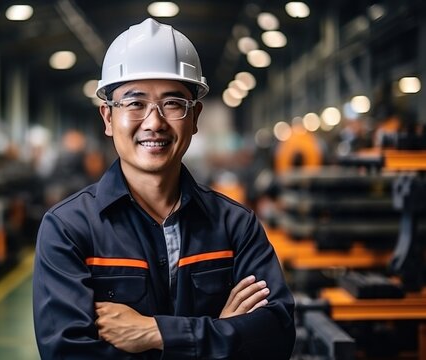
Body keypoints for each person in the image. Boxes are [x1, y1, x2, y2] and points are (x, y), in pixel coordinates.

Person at [33, 18, 295, 359]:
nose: (154, 122)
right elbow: (67, 354)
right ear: (108, 118)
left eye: (173, 103)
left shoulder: (235, 226)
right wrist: (219, 334)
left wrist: (155, 333)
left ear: (195, 116)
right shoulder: (68, 229)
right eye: (134, 103)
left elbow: (276, 338)